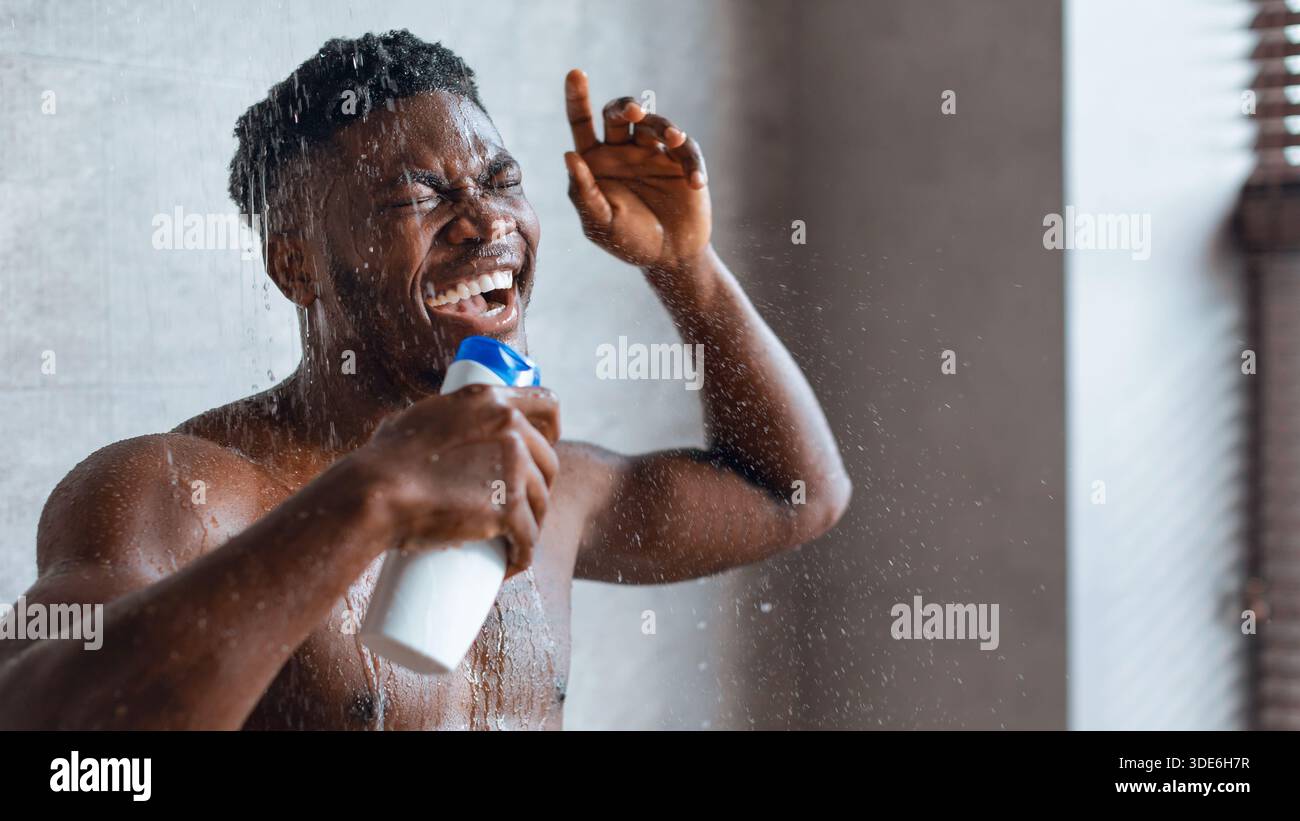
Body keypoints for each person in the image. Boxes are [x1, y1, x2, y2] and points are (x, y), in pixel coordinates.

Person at [0, 30, 850, 730]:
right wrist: (376, 492)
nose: (485, 221)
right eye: (419, 196)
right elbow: (48, 727)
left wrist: (685, 265)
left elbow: (797, 493)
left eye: (501, 180)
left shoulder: (547, 489)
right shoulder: (179, 492)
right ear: (297, 265)